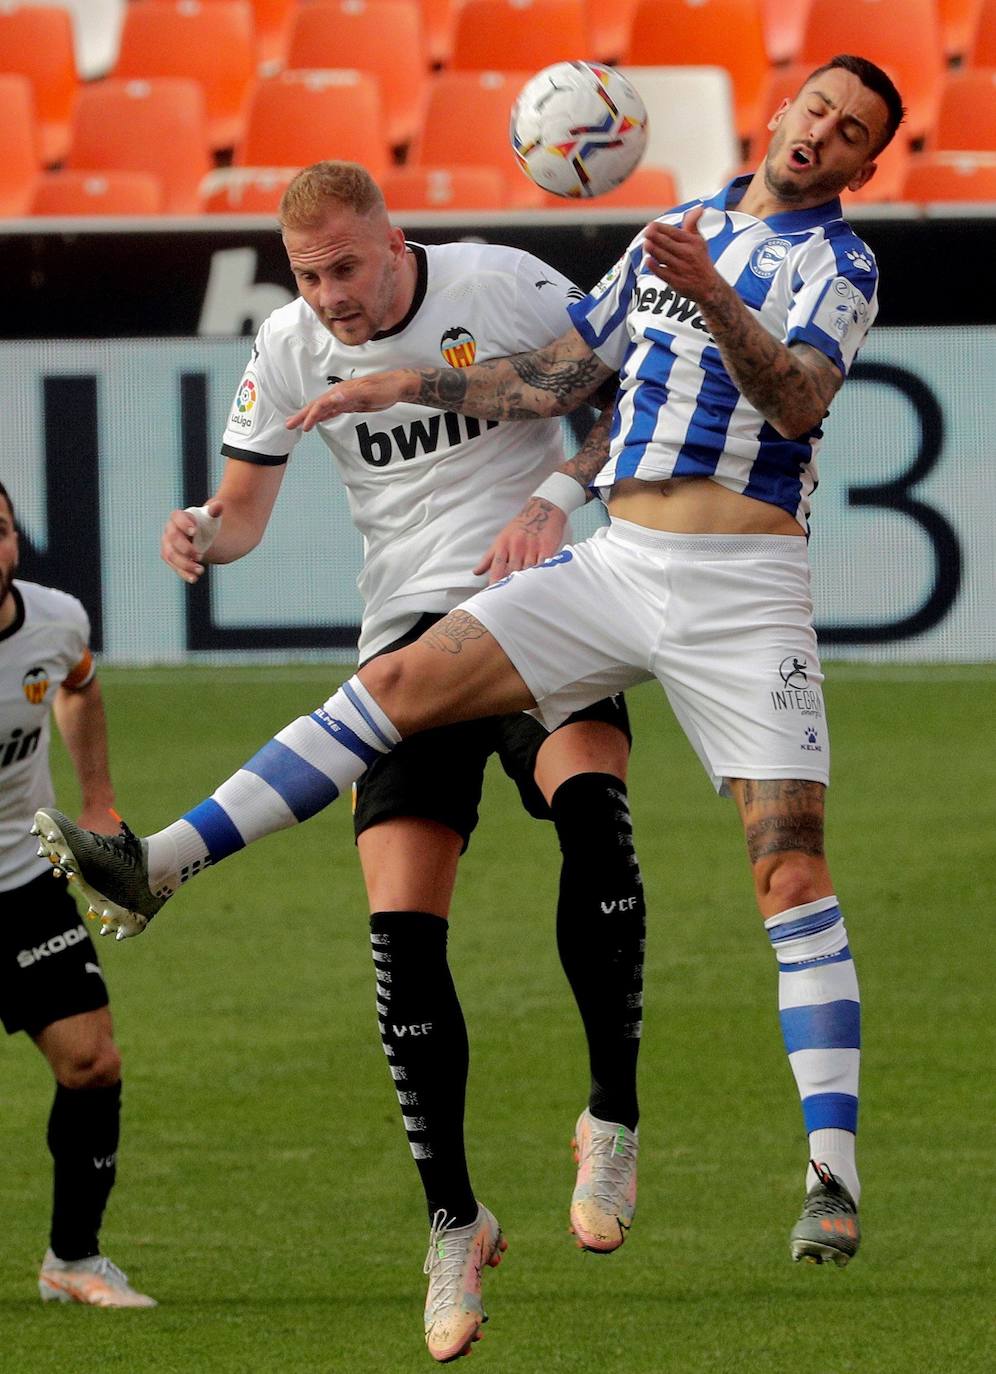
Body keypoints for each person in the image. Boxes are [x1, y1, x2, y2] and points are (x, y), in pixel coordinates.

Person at [34, 52, 903, 1292]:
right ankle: (159, 864)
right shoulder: (683, 229)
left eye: (850, 128)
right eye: (816, 105)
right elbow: (560, 375)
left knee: (790, 866)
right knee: (397, 689)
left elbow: (802, 398)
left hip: (741, 590)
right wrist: (411, 384)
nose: (822, 130)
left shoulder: (841, 264)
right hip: (621, 560)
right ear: (784, 111)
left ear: (866, 163)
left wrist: (712, 296)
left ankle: (830, 1172)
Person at [157, 163, 646, 1361]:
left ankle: (615, 1117)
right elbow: (244, 510)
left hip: (541, 605)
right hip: (404, 644)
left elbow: (620, 396)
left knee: (594, 817)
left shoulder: (502, 281)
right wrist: (203, 534)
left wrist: (554, 496)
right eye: (309, 275)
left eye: (347, 268)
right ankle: (453, 1219)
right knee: (401, 933)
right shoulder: (285, 347)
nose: (331, 295)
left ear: (396, 244)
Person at [0, 483, 156, 1309]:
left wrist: (97, 802)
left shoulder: (54, 621)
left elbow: (80, 685)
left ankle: (74, 1260)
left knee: (92, 1062)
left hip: (24, 883)